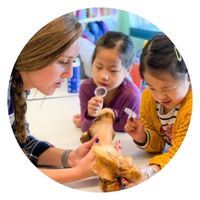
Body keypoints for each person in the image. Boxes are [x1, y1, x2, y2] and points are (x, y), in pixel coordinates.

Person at [8, 13, 98, 184]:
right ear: (34, 54)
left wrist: (70, 158)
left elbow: (22, 143)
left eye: (72, 61)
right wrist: (78, 173)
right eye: (63, 61)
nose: (70, 73)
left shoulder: (18, 86)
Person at [125, 35, 192, 178]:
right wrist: (143, 137)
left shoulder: (191, 106)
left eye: (167, 88)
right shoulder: (149, 98)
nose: (160, 96)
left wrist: (153, 169)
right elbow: (158, 144)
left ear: (188, 76)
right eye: (151, 87)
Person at [73, 31, 141, 132]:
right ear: (92, 63)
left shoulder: (132, 96)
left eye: (113, 70)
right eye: (99, 67)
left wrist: (96, 119)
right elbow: (85, 129)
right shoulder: (86, 88)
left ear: (127, 70)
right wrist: (90, 115)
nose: (104, 76)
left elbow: (125, 128)